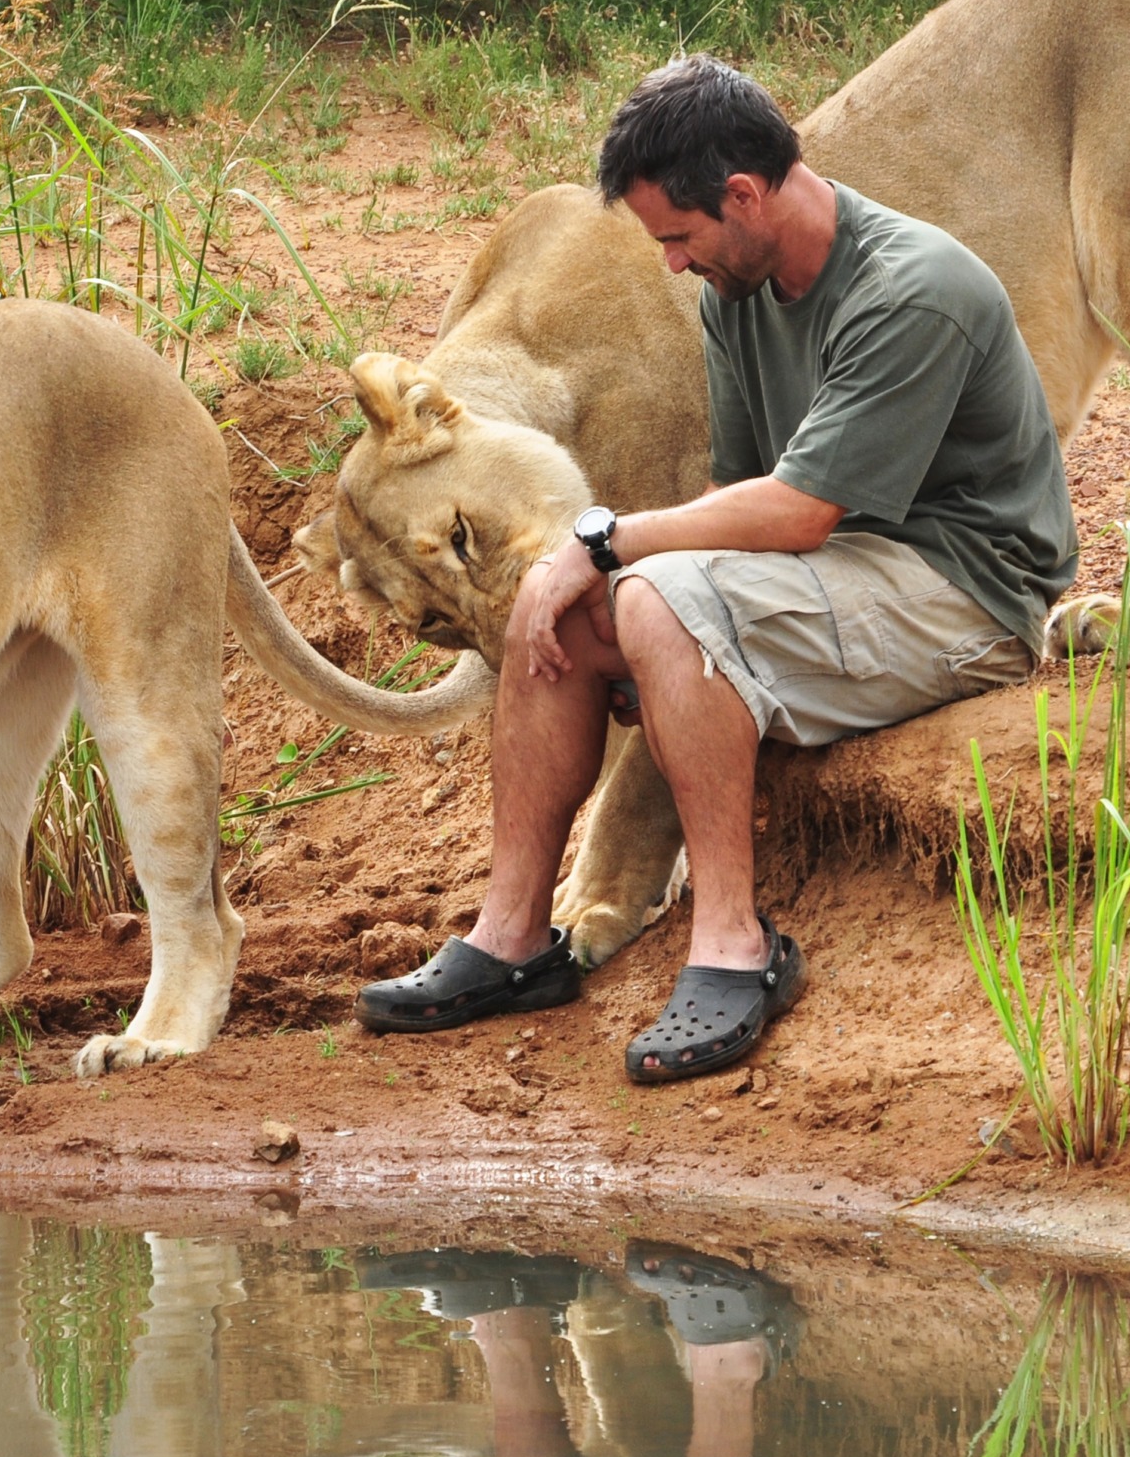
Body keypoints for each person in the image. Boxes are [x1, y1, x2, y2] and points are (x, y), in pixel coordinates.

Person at [356, 54, 1076, 1082]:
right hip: (840, 565)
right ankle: (511, 940)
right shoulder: (738, 287)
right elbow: (743, 497)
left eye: (676, 236)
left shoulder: (914, 287)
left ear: (742, 195)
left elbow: (795, 510)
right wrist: (586, 595)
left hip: (968, 593)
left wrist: (599, 542)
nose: (667, 265)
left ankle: (734, 942)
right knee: (560, 610)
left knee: (652, 593)